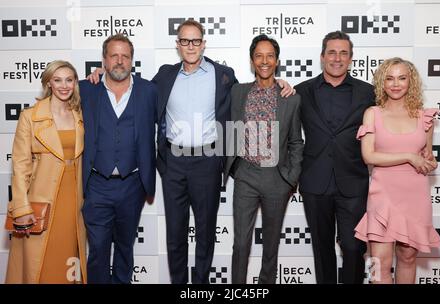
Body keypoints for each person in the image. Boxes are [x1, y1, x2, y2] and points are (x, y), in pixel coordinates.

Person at [152, 20, 296, 284]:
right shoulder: (164, 75)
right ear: (178, 44)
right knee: (175, 233)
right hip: (173, 162)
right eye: (185, 40)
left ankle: (200, 287)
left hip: (207, 162)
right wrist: (99, 78)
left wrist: (282, 84)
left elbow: (255, 91)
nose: (191, 46)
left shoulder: (224, 76)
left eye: (196, 40)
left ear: (204, 43)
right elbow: (139, 95)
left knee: (206, 233)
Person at [293, 31, 375, 284]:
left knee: (353, 248)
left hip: (353, 182)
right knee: (322, 249)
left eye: (343, 53)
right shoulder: (301, 91)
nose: (337, 58)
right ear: (322, 57)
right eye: (332, 52)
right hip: (315, 182)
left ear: (350, 59)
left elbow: (392, 120)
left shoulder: (367, 92)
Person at [223, 34, 303, 284]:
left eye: (270, 56)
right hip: (246, 175)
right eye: (259, 55)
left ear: (277, 61)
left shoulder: (291, 98)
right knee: (240, 243)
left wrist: (289, 178)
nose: (264, 61)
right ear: (251, 60)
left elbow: (295, 142)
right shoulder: (238, 91)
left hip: (276, 178)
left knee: (271, 245)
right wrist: (236, 168)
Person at [354, 57, 440, 284]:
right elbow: (368, 156)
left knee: (408, 256)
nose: (395, 84)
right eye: (390, 78)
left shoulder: (425, 118)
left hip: (415, 195)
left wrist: (429, 161)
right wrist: (408, 156)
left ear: (410, 82)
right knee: (377, 262)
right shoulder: (373, 113)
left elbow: (427, 156)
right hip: (383, 196)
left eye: (402, 78)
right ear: (382, 83)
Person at [79, 34, 157, 284]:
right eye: (114, 56)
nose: (120, 61)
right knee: (98, 250)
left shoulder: (149, 91)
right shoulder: (86, 89)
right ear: (104, 60)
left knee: (125, 248)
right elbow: (55, 97)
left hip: (132, 185)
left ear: (132, 60)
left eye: (125, 56)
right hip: (96, 185)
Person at [5, 60, 86, 284]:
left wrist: (99, 72)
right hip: (41, 201)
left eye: (69, 80)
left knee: (69, 262)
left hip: (73, 202)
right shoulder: (30, 117)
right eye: (57, 80)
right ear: (48, 82)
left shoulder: (80, 113)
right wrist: (21, 208)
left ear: (75, 83)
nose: (64, 85)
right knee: (40, 264)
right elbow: (20, 166)